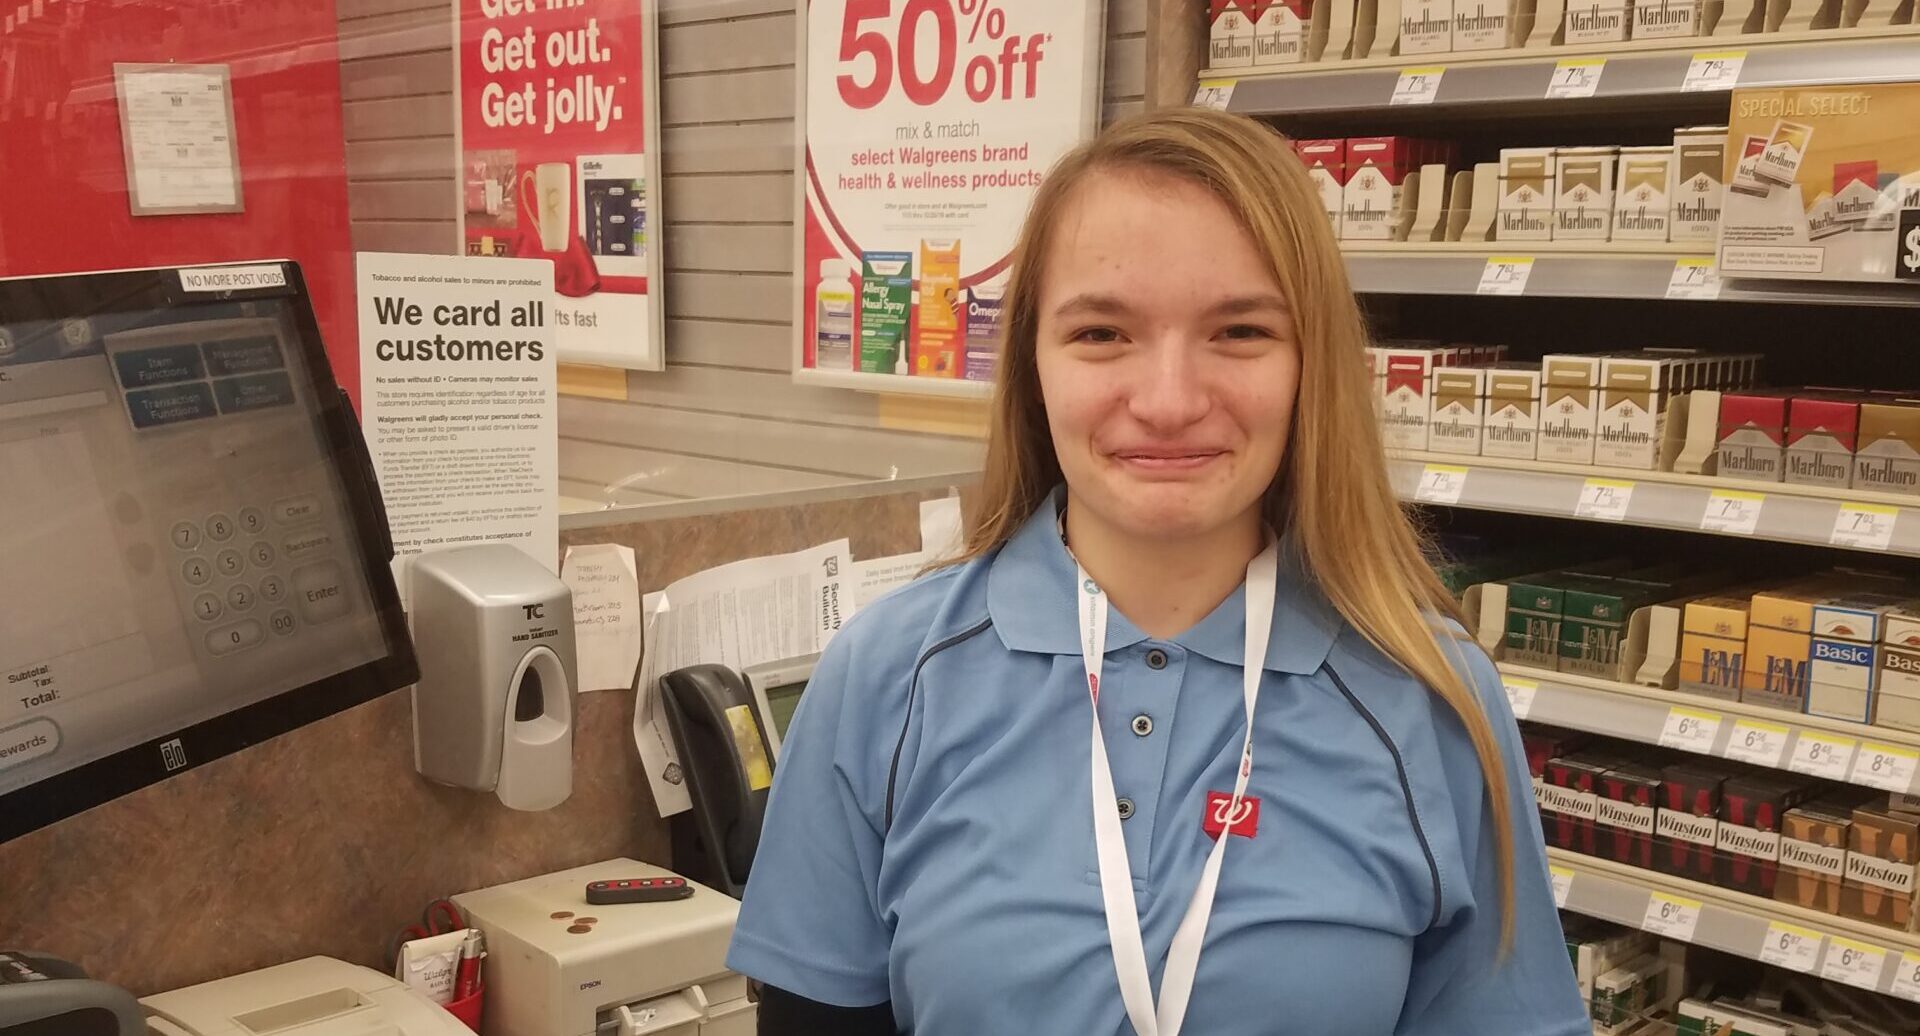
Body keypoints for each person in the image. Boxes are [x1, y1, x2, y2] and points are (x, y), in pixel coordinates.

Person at [727, 108, 1589, 1036]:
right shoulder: (886, 679)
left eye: (1241, 332)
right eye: (1102, 333)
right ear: (1032, 365)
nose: (1170, 401)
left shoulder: (1433, 699)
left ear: (1313, 367)